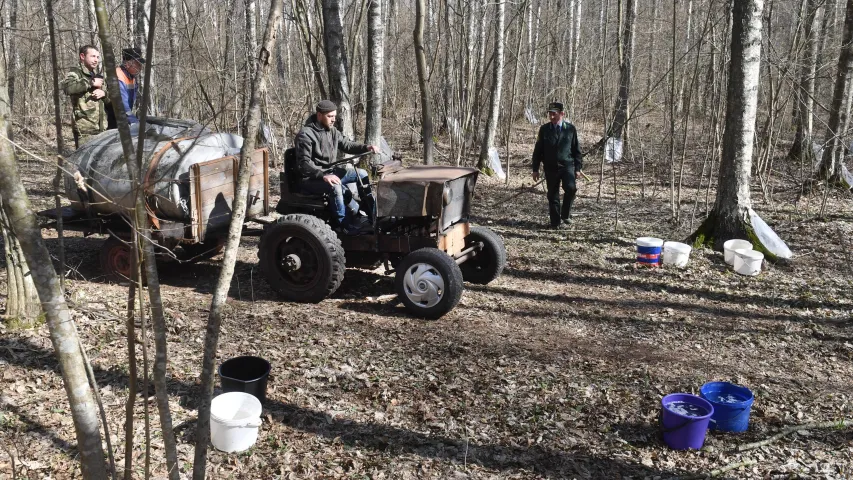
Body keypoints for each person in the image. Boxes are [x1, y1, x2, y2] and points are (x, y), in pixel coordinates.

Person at [294, 100, 379, 233]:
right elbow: (304, 164)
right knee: (336, 187)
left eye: (334, 116)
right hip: (311, 179)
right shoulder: (305, 134)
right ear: (319, 115)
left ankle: (372, 214)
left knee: (361, 174)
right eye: (330, 116)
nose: (333, 119)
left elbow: (347, 145)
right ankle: (344, 225)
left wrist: (365, 147)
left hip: (330, 172)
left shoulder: (332, 131)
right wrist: (323, 175)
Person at [531, 102, 584, 229]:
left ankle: (565, 214)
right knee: (553, 195)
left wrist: (578, 168)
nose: (552, 117)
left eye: (554, 114)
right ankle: (555, 223)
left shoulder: (570, 129)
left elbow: (577, 150)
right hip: (551, 167)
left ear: (562, 114)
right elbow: (537, 150)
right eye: (550, 114)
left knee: (571, 188)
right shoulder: (544, 129)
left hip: (567, 166)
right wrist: (535, 169)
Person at [61, 45, 109, 148]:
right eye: (92, 56)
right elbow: (68, 88)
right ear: (82, 56)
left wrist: (104, 94)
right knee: (84, 162)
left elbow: (109, 100)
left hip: (101, 128)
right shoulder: (75, 72)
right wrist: (90, 83)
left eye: (97, 57)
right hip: (85, 129)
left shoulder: (96, 75)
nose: (96, 60)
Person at [106, 47, 145, 128]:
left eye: (140, 64)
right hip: (114, 119)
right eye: (137, 64)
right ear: (127, 64)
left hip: (124, 118)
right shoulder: (117, 76)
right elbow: (122, 105)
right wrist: (133, 120)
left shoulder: (132, 77)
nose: (140, 67)